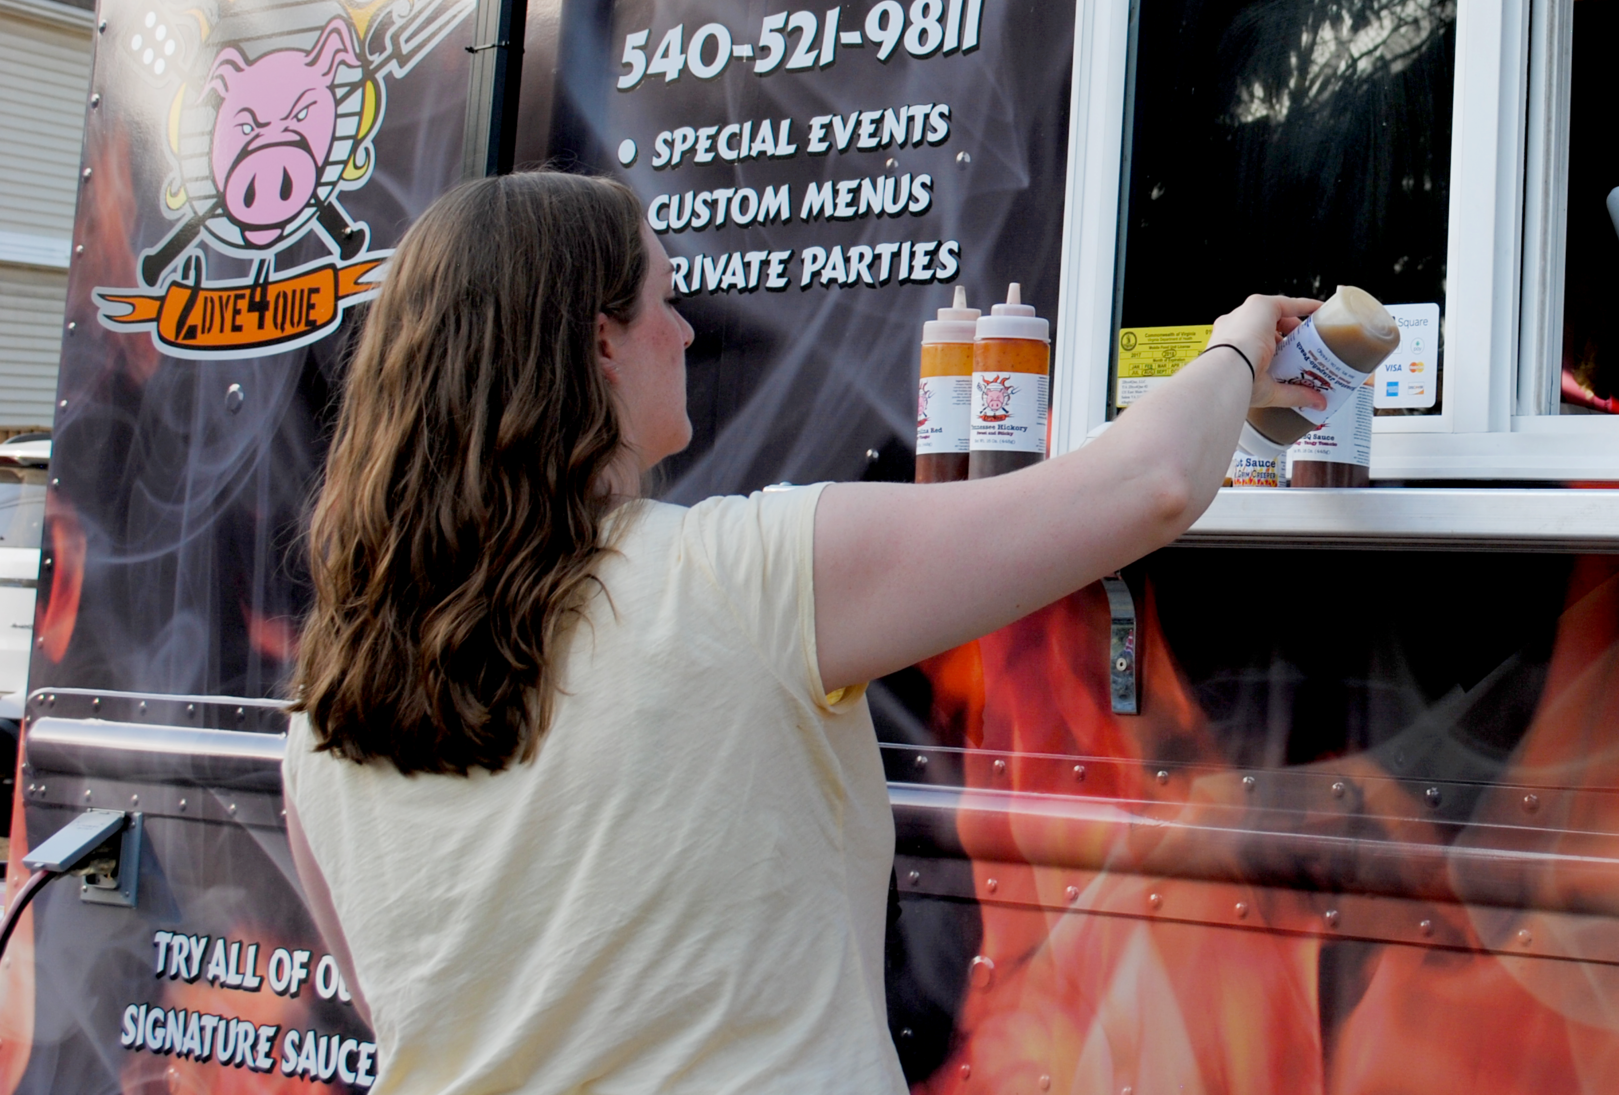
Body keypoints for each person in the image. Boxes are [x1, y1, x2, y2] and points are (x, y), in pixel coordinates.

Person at [281, 171, 1319, 1094]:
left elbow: (407, 1013)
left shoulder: (323, 711)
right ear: (599, 342)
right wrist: (1238, 346)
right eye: (663, 301)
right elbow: (1150, 484)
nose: (685, 331)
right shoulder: (747, 578)